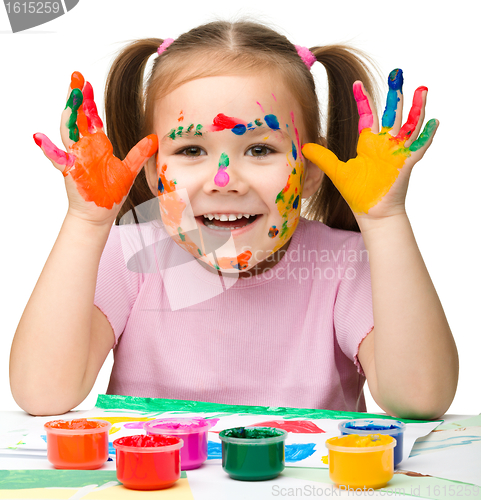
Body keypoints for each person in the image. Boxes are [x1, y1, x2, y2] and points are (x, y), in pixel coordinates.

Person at [10, 20, 458, 419]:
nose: (224, 180)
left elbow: (420, 399)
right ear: (150, 172)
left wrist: (385, 220)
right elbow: (41, 394)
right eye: (190, 150)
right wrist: (87, 223)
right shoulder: (130, 257)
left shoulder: (344, 265)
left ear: (311, 174)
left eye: (261, 149)